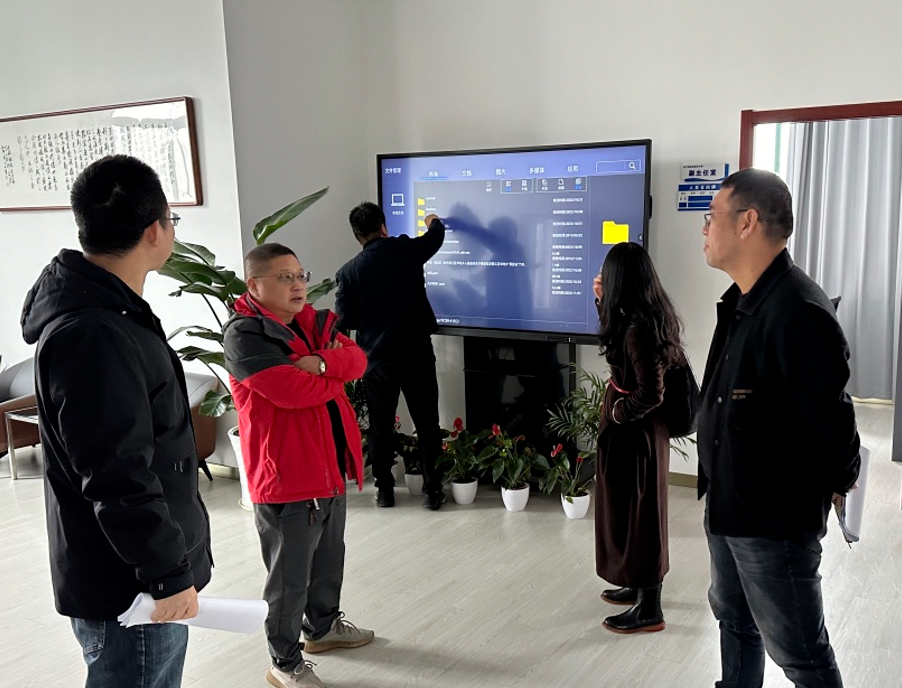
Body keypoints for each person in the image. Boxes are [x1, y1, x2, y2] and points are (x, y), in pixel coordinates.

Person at [20, 155, 213, 688]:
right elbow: (116, 473)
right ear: (154, 230)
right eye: (172, 219)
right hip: (130, 586)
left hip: (135, 572)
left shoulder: (113, 313)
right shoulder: (94, 334)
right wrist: (167, 574)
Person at [698, 168, 860, 687]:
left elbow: (833, 422)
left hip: (772, 520)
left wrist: (841, 479)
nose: (704, 228)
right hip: (729, 504)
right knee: (735, 622)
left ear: (747, 222)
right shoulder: (741, 300)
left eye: (711, 216)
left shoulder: (797, 310)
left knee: (801, 655)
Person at [223, 243, 374, 688]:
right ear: (254, 285)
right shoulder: (245, 336)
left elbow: (358, 361)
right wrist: (334, 376)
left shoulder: (312, 324)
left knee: (328, 560)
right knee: (289, 581)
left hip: (327, 467)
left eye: (300, 275)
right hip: (286, 477)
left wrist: (322, 363)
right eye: (284, 277)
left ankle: (322, 629)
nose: (297, 285)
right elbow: (291, 392)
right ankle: (284, 663)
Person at [592, 241, 685, 634]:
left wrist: (618, 413)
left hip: (636, 434)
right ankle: (636, 584)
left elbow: (652, 392)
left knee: (642, 516)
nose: (601, 279)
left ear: (620, 281)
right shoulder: (639, 317)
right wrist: (601, 303)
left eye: (606, 275)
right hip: (638, 432)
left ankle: (650, 608)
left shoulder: (637, 329)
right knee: (631, 511)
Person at [335, 202, 446, 510]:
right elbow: (436, 237)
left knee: (380, 427)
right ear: (383, 227)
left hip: (376, 361)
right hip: (417, 355)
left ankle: (384, 491)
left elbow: (345, 321)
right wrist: (433, 220)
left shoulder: (348, 272)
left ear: (357, 235)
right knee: (427, 424)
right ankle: (432, 492)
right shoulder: (406, 249)